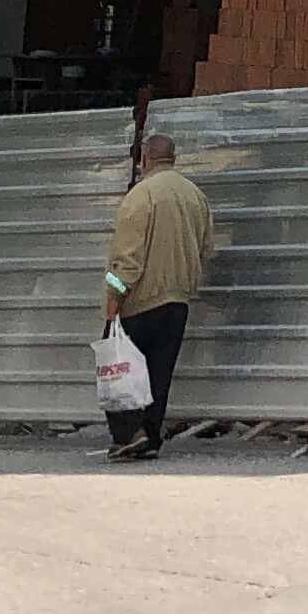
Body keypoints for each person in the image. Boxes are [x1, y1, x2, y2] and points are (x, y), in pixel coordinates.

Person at [101, 132, 213, 461]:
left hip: (140, 299)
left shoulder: (141, 195)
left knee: (118, 369)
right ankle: (149, 438)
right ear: (173, 157)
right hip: (178, 302)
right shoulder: (196, 196)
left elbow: (127, 257)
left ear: (145, 158)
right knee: (158, 374)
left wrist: (114, 294)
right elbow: (206, 248)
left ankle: (129, 434)